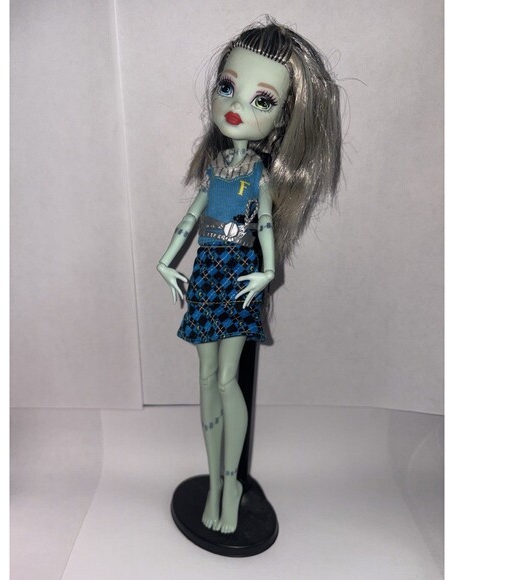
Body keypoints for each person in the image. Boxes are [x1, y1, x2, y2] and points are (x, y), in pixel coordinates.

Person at [157, 18, 342, 534]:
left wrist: (267, 272)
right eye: (227, 87)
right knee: (204, 377)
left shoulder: (259, 173)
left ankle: (231, 483)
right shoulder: (215, 167)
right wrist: (166, 260)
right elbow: (190, 218)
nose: (237, 104)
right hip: (206, 270)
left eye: (262, 100)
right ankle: (215, 485)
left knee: (225, 378)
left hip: (238, 273)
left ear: (282, 120)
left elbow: (263, 224)